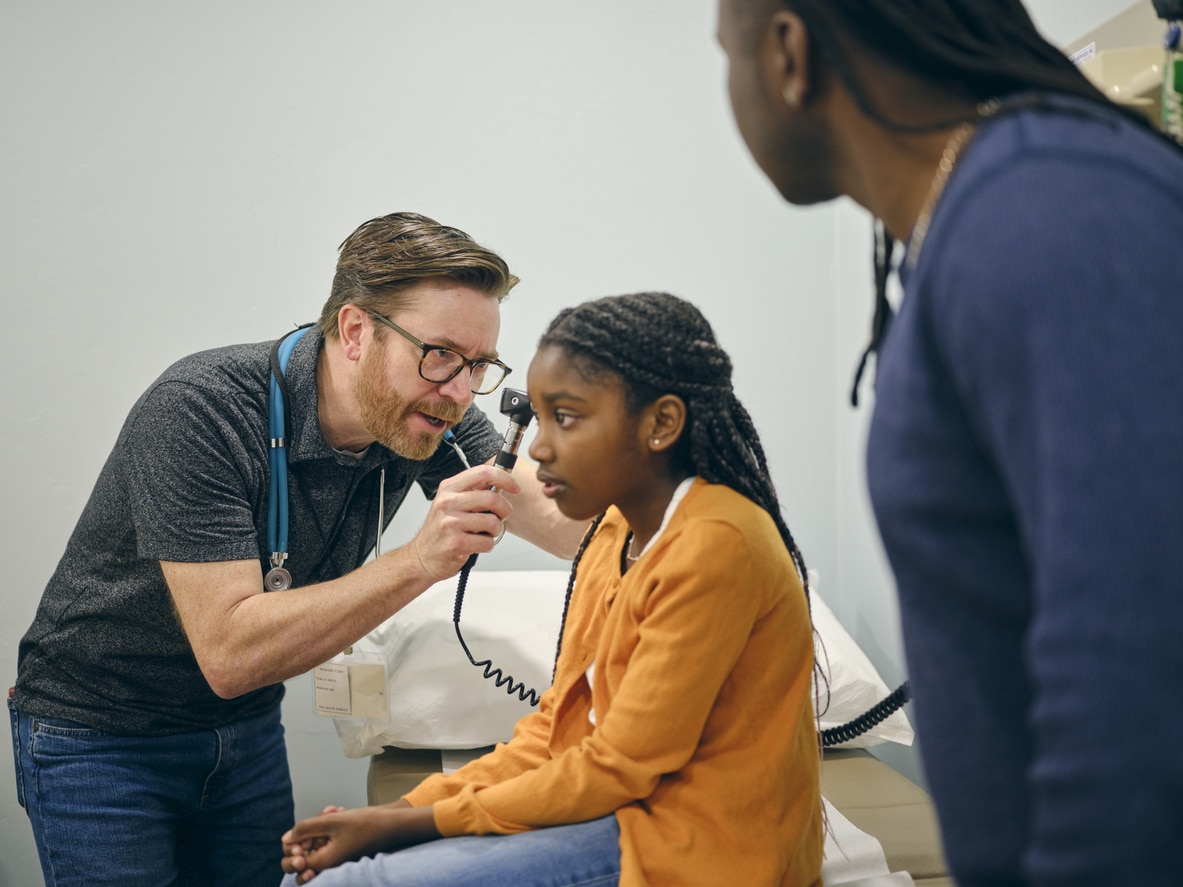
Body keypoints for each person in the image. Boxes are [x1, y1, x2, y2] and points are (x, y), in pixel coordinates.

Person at [716, 1, 1183, 885]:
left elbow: (1137, 676)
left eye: (723, 54)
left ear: (787, 52)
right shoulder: (978, 223)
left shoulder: (1046, 213)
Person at [8, 211, 588, 887]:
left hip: (244, 726)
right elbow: (229, 652)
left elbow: (557, 517)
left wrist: (688, 531)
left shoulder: (430, 414)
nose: (460, 391)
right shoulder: (201, 410)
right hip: (101, 736)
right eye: (438, 355)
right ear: (354, 331)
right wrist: (422, 561)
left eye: (478, 365)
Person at [279, 291, 824, 887]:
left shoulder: (718, 544)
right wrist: (400, 810)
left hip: (696, 846)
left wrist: (419, 825)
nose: (535, 450)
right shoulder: (615, 533)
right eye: (538, 418)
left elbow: (615, 767)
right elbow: (558, 728)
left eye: (565, 418)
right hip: (622, 813)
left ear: (662, 423)